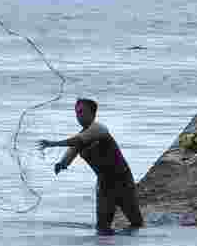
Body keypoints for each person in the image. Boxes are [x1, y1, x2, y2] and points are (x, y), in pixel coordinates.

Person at [39, 98, 144, 234]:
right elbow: (69, 156)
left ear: (93, 113)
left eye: (82, 111)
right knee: (102, 228)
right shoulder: (80, 138)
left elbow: (75, 141)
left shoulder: (99, 129)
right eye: (76, 112)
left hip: (122, 180)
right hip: (104, 185)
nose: (78, 115)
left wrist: (53, 143)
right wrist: (60, 165)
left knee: (136, 222)